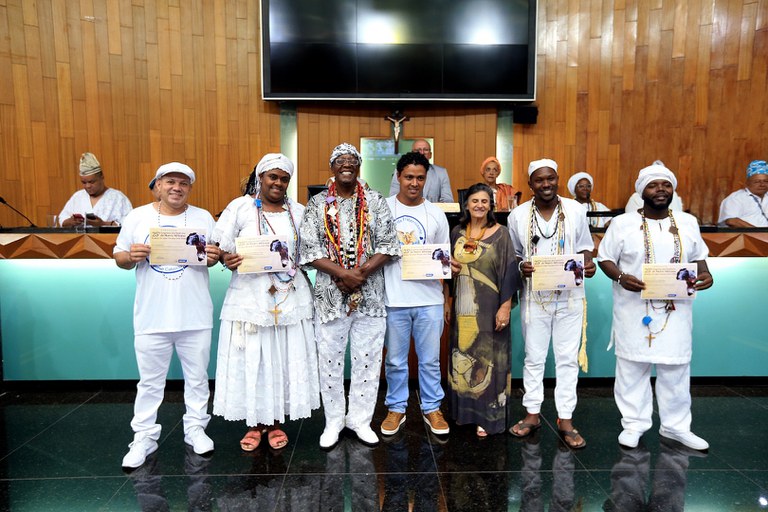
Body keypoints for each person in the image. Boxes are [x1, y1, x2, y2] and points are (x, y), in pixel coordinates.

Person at [597, 162, 713, 451]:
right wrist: (621, 277)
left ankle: (676, 427)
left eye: (666, 185)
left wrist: (706, 273)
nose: (660, 190)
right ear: (641, 191)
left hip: (676, 310)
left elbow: (698, 256)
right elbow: (605, 258)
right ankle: (633, 425)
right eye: (653, 185)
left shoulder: (687, 222)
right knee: (632, 368)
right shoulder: (622, 223)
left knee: (676, 369)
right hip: (633, 309)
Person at [114, 162, 221, 469]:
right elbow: (119, 256)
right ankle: (144, 437)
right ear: (157, 185)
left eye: (183, 183)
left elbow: (213, 256)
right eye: (170, 181)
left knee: (197, 378)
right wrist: (130, 257)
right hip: (152, 315)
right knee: (149, 382)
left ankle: (195, 429)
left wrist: (213, 257)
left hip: (195, 314)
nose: (177, 187)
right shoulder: (137, 216)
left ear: (190, 188)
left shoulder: (203, 217)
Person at [211, 153, 320, 452]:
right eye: (273, 177)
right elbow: (220, 247)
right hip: (250, 298)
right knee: (255, 360)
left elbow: (310, 251)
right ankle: (254, 423)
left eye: (284, 178)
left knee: (282, 359)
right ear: (260, 177)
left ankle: (274, 422)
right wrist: (226, 258)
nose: (278, 183)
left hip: (290, 296)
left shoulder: (298, 211)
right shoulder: (240, 207)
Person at [300, 143, 400, 448]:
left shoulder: (375, 200)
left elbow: (388, 244)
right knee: (329, 359)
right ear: (332, 167)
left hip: (370, 295)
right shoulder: (317, 204)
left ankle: (360, 420)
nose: (347, 164)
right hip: (330, 296)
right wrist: (343, 274)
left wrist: (360, 274)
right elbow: (309, 249)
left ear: (359, 166)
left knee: (368, 359)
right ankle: (333, 420)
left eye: (352, 160)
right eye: (340, 161)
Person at [507, 158, 596, 449]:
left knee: (567, 359)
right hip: (535, 298)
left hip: (570, 297)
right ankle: (532, 414)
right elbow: (514, 254)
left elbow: (585, 247)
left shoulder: (575, 210)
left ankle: (565, 418)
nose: (546, 184)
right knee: (534, 357)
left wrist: (588, 263)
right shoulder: (518, 215)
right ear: (530, 184)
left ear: (557, 179)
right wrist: (521, 267)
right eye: (539, 180)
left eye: (550, 178)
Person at [381, 151, 451, 437]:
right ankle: (396, 407)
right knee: (395, 361)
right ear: (398, 177)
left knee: (430, 360)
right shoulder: (383, 209)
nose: (414, 183)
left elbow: (444, 257)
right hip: (393, 299)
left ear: (426, 179)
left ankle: (432, 407)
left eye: (420, 178)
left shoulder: (436, 214)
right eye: (409, 177)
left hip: (429, 300)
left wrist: (447, 289)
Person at [447, 182, 520, 437]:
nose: (479, 205)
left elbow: (510, 271)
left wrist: (505, 306)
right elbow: (447, 270)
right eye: (475, 201)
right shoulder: (457, 232)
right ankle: (464, 414)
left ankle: (488, 418)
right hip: (461, 307)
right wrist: (447, 300)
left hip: (491, 309)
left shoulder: (501, 234)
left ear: (491, 206)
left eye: (484, 201)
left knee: (488, 358)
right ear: (466, 205)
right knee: (461, 356)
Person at [59, 152, 132, 227]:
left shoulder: (118, 198)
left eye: (92, 182)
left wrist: (103, 224)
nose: (88, 186)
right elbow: (62, 219)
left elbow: (130, 224)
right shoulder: (77, 197)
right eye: (84, 182)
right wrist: (70, 222)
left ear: (101, 177)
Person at [389, 139, 454, 203]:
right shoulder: (401, 170)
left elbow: (448, 201)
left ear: (430, 154)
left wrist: (429, 208)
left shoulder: (441, 172)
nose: (422, 153)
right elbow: (393, 197)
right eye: (418, 150)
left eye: (425, 150)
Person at [717, 159, 768, 227]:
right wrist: (757, 232)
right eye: (757, 182)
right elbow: (731, 221)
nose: (762, 184)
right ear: (747, 183)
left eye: (766, 181)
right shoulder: (736, 198)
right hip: (747, 233)